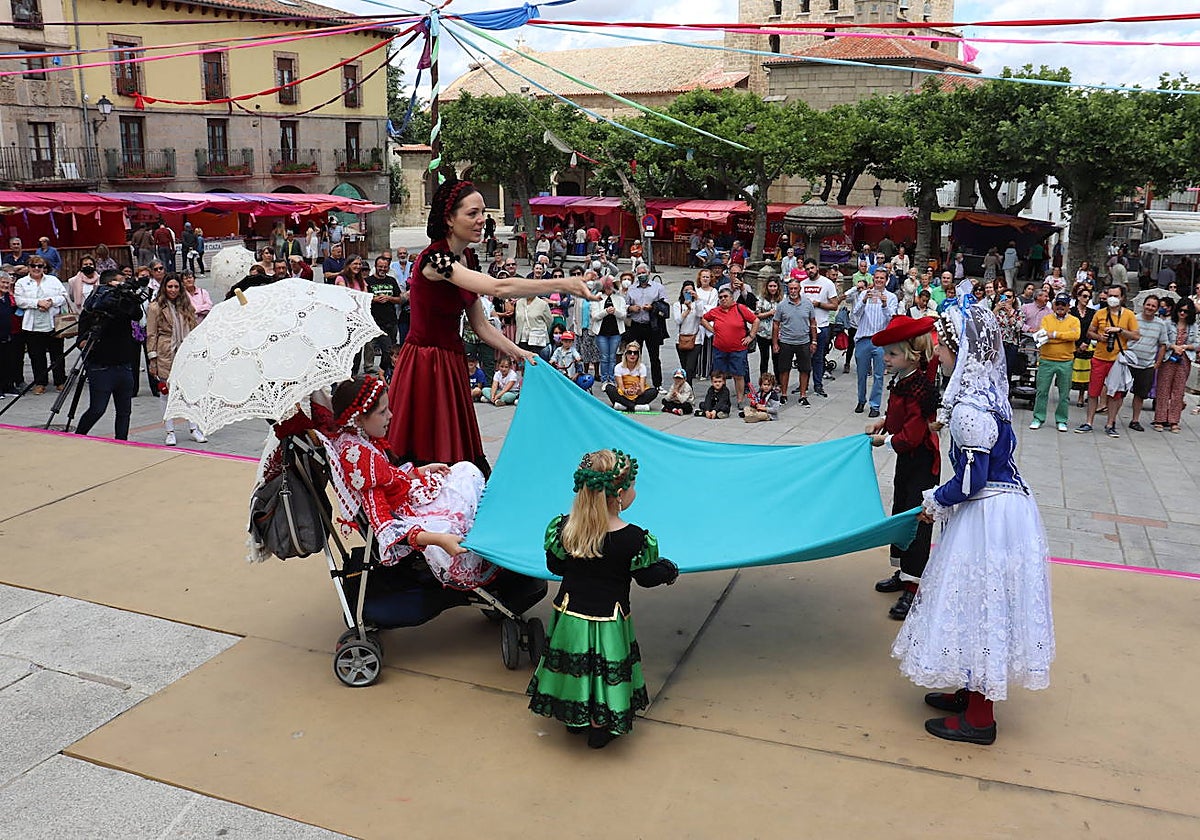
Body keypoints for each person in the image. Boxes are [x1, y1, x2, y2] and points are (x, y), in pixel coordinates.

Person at [892, 301, 1055, 746]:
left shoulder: (969, 407)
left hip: (988, 512)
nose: (938, 353)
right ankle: (972, 690)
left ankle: (981, 718)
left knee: (979, 601)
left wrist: (934, 500)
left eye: (943, 346)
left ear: (960, 348)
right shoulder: (988, 398)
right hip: (1002, 509)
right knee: (978, 601)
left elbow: (970, 478)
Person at [388, 180, 592, 474]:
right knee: (425, 453)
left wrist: (518, 351)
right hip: (425, 364)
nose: (481, 219)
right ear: (449, 219)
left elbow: (480, 324)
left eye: (482, 212)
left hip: (450, 361)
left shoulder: (466, 257)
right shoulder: (435, 258)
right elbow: (500, 286)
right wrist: (562, 283)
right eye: (472, 213)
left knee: (456, 454)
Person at [527, 448, 678, 749]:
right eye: (633, 486)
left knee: (576, 666)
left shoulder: (564, 529)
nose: (635, 491)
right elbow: (646, 577)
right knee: (604, 668)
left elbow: (555, 566)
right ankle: (599, 726)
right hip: (610, 618)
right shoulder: (633, 538)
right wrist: (668, 570)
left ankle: (575, 717)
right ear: (620, 493)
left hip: (570, 615)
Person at [329, 375, 496, 589]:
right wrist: (438, 540)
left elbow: (389, 476)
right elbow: (383, 522)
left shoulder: (359, 439)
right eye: (382, 412)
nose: (390, 415)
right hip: (408, 515)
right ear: (359, 419)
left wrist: (418, 471)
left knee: (465, 469)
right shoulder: (360, 460)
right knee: (449, 527)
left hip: (409, 495)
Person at [867, 315, 939, 621]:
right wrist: (883, 422)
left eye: (893, 353)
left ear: (912, 354)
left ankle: (914, 586)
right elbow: (897, 416)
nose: (887, 358)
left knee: (917, 518)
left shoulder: (921, 387)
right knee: (901, 511)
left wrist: (885, 441)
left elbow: (913, 434)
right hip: (907, 461)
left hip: (922, 461)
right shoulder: (903, 380)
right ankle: (904, 572)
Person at [74, 269, 142, 440]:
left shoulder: (124, 301)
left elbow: (137, 314)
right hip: (101, 367)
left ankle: (122, 442)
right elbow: (80, 340)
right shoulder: (94, 304)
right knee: (98, 409)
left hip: (124, 366)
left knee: (124, 411)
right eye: (121, 281)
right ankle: (78, 436)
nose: (124, 284)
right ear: (110, 283)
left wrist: (129, 297)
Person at [147, 276, 207, 445]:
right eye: (169, 286)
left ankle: (194, 428)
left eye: (175, 286)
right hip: (166, 350)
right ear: (164, 287)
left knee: (190, 391)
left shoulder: (186, 304)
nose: (173, 290)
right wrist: (153, 359)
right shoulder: (155, 307)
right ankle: (170, 431)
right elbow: (151, 334)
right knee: (166, 391)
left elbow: (194, 328)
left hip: (186, 350)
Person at [1076, 284, 1139, 438]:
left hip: (1117, 359)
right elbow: (1090, 332)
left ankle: (1110, 423)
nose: (1112, 298)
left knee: (1115, 393)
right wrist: (1100, 337)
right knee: (1093, 392)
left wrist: (1120, 331)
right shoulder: (1100, 313)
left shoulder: (1129, 315)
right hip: (1099, 357)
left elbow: (1136, 335)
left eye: (1116, 296)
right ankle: (1089, 422)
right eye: (1110, 295)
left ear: (1122, 297)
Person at [14, 257, 67, 395]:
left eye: (40, 266)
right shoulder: (21, 282)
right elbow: (20, 301)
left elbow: (63, 296)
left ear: (44, 267)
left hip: (53, 324)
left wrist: (50, 302)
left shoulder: (53, 280)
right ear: (28, 267)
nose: (36, 268)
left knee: (57, 354)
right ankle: (40, 382)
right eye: (33, 266)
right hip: (33, 325)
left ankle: (60, 381)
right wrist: (38, 303)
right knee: (37, 356)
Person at [1029, 293, 1081, 432]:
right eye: (1058, 304)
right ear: (1053, 305)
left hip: (1066, 361)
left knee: (1064, 394)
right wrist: (1062, 336)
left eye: (1063, 304)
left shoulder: (1074, 320)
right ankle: (1038, 418)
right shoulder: (1046, 319)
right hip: (1046, 359)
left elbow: (1075, 336)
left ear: (1068, 306)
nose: (1060, 307)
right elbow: (1043, 335)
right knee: (1042, 391)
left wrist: (1055, 335)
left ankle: (1061, 420)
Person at [852, 267, 899, 418]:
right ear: (873, 279)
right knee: (861, 373)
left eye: (882, 278)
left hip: (881, 340)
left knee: (879, 375)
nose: (879, 280)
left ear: (886, 281)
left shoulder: (891, 297)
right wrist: (864, 300)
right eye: (877, 278)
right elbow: (856, 314)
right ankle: (861, 400)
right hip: (864, 338)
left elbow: (892, 318)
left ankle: (875, 405)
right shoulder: (864, 294)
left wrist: (884, 305)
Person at [702, 286, 757, 408]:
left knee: (739, 375)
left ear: (732, 298)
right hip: (719, 349)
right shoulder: (716, 311)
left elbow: (755, 320)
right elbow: (703, 319)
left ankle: (740, 399)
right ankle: (723, 398)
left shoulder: (740, 308)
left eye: (725, 297)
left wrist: (751, 336)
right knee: (720, 376)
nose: (723, 299)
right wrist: (713, 330)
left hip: (738, 350)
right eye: (720, 297)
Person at [1125, 294, 1169, 433]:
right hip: (1129, 360)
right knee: (1119, 392)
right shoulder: (1133, 319)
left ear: (1157, 309)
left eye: (1153, 306)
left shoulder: (1160, 324)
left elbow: (1163, 344)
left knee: (1140, 394)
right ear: (1143, 305)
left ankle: (1135, 420)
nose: (1150, 308)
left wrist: (1157, 363)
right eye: (1148, 304)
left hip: (1147, 364)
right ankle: (1112, 418)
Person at [773, 276, 818, 407]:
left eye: (795, 288)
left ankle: (803, 395)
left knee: (805, 369)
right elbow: (776, 324)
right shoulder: (782, 305)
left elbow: (813, 323)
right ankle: (784, 394)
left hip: (803, 341)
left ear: (800, 289)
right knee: (784, 369)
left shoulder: (808, 304)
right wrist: (775, 343)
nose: (793, 291)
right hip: (786, 341)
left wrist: (814, 341)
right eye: (791, 288)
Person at [1155, 298, 1198, 432]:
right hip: (1168, 358)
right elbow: (1162, 340)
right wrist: (1173, 346)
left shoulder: (1194, 326)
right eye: (1180, 310)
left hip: (1184, 359)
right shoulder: (1167, 323)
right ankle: (1160, 419)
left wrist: (1186, 346)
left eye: (1186, 311)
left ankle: (1174, 420)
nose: (1183, 313)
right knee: (1163, 388)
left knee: (1179, 391)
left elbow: (1198, 343)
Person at [800, 262, 841, 398]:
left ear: (817, 268)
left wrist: (819, 304)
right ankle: (803, 386)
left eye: (812, 268)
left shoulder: (827, 283)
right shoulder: (803, 284)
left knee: (818, 357)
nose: (810, 271)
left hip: (822, 325)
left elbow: (835, 305)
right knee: (803, 358)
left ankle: (818, 384)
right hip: (804, 326)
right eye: (807, 269)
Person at [624, 271, 668, 391]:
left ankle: (658, 384)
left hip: (652, 326)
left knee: (655, 357)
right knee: (633, 355)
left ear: (648, 273)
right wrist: (630, 308)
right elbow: (625, 305)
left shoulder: (658, 287)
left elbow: (665, 305)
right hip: (636, 325)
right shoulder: (631, 288)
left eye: (644, 272)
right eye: (640, 272)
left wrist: (653, 307)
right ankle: (633, 381)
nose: (642, 274)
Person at [367, 256, 403, 379]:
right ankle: (377, 371)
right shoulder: (368, 281)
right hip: (375, 321)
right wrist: (374, 299)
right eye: (380, 267)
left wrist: (389, 298)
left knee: (391, 350)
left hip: (391, 320)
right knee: (379, 348)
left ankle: (387, 372)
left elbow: (399, 299)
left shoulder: (392, 280)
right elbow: (362, 299)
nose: (382, 269)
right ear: (375, 267)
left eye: (385, 267)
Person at [589, 274, 627, 386]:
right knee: (604, 357)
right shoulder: (597, 298)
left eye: (610, 286)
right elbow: (594, 316)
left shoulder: (619, 298)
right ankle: (605, 379)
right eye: (606, 286)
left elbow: (624, 315)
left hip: (615, 332)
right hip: (601, 332)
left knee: (613, 357)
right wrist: (606, 311)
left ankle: (612, 379)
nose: (609, 289)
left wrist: (615, 311)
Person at [605, 341, 655, 412]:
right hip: (624, 394)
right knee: (608, 388)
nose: (632, 355)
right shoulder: (618, 367)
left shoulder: (642, 367)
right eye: (630, 352)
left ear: (638, 355)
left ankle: (624, 405)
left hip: (637, 395)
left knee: (654, 391)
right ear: (626, 354)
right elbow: (621, 387)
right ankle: (634, 406)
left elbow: (642, 389)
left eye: (635, 353)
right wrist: (626, 391)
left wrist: (638, 391)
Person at [671, 279, 702, 384]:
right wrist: (687, 310)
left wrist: (697, 299)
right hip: (681, 339)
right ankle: (685, 388)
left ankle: (689, 389)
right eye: (686, 291)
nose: (688, 293)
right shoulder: (677, 305)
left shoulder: (697, 304)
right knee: (684, 367)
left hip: (695, 339)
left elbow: (700, 314)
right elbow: (678, 320)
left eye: (690, 291)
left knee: (690, 368)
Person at [753, 277, 782, 379]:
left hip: (778, 334)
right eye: (770, 286)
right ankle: (763, 381)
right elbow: (756, 315)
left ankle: (778, 381)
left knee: (777, 359)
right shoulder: (761, 298)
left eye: (774, 286)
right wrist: (769, 313)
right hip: (763, 333)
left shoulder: (782, 299)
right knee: (764, 359)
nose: (772, 288)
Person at [693, 268, 719, 379]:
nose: (705, 279)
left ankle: (705, 371)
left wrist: (701, 309)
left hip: (708, 322)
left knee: (707, 349)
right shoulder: (696, 290)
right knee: (696, 347)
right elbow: (694, 306)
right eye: (703, 276)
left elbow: (712, 308)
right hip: (696, 323)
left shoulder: (713, 291)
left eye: (707, 277)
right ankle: (695, 370)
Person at [0, 272, 21, 397]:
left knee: (8, 362)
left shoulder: (8, 297)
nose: (5, 285)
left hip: (8, 334)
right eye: (3, 282)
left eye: (8, 283)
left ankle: (8, 386)